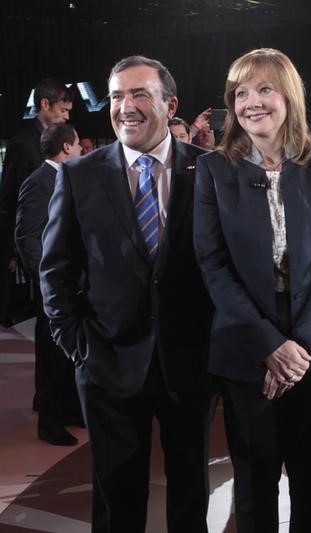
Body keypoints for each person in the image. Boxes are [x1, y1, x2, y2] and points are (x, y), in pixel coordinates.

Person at [40, 55, 214, 533]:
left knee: (189, 498)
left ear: (169, 103)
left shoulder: (213, 171)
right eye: (117, 95)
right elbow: (55, 271)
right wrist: (79, 347)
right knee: (117, 503)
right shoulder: (79, 176)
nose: (125, 106)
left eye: (139, 94)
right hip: (107, 365)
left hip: (190, 366)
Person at [193, 47, 311, 532]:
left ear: (289, 96)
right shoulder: (213, 170)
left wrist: (300, 349)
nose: (251, 101)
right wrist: (271, 347)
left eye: (264, 88)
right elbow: (213, 263)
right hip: (248, 349)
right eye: (240, 92)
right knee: (254, 486)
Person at [15, 123, 84, 446]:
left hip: (69, 285)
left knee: (65, 354)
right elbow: (27, 236)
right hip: (51, 287)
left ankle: (68, 411)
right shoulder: (38, 182)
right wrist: (46, 281)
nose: (83, 149)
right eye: (78, 145)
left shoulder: (63, 178)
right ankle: (50, 424)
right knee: (50, 357)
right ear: (67, 147)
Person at [0, 78, 73, 327]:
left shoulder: (60, 139)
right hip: (34, 245)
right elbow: (9, 197)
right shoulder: (21, 144)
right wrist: (12, 250)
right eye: (63, 110)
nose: (65, 117)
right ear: (45, 104)